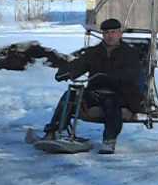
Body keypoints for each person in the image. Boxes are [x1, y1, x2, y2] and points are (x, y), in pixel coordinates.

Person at [42, 18, 143, 154]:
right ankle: (52, 132)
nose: (110, 36)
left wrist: (113, 76)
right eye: (106, 32)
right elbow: (79, 65)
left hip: (122, 94)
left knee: (111, 101)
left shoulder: (130, 54)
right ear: (103, 34)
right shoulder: (94, 52)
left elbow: (133, 74)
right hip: (95, 93)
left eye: (113, 32)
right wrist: (65, 72)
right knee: (71, 95)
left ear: (120, 34)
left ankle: (109, 140)